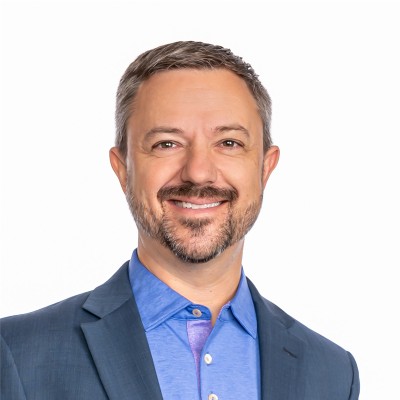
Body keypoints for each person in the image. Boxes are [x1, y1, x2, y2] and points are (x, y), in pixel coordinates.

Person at [0, 41, 360, 399]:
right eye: (167, 144)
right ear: (123, 169)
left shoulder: (331, 374)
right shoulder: (17, 353)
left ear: (265, 168)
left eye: (230, 143)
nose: (199, 173)